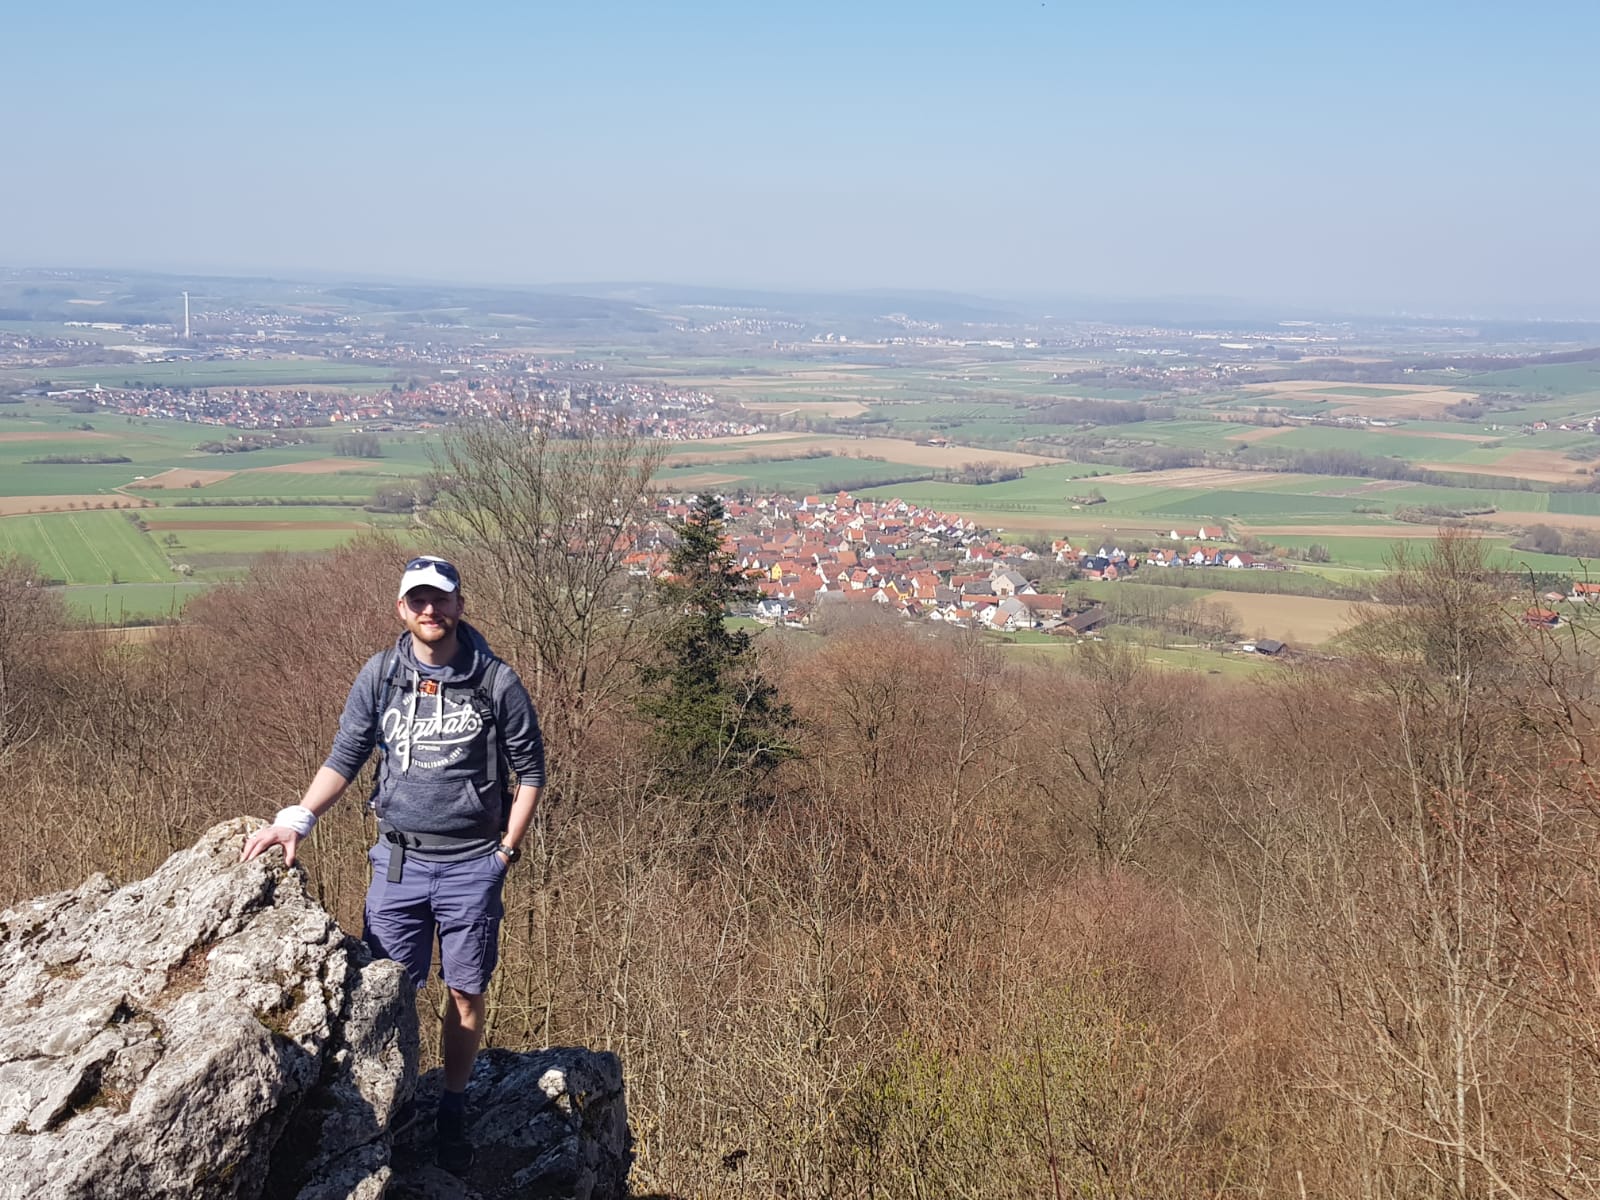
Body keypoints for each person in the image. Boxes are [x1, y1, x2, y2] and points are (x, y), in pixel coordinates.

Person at [240, 555, 545, 1174]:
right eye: (418, 600)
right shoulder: (381, 675)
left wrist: (505, 853)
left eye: (441, 599)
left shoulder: (496, 681)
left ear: (459, 606)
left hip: (472, 864)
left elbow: (532, 772)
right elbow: (346, 755)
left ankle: (452, 1107)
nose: (431, 610)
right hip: (399, 861)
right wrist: (296, 819)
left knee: (465, 992)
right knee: (389, 991)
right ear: (402, 609)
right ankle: (393, 1109)